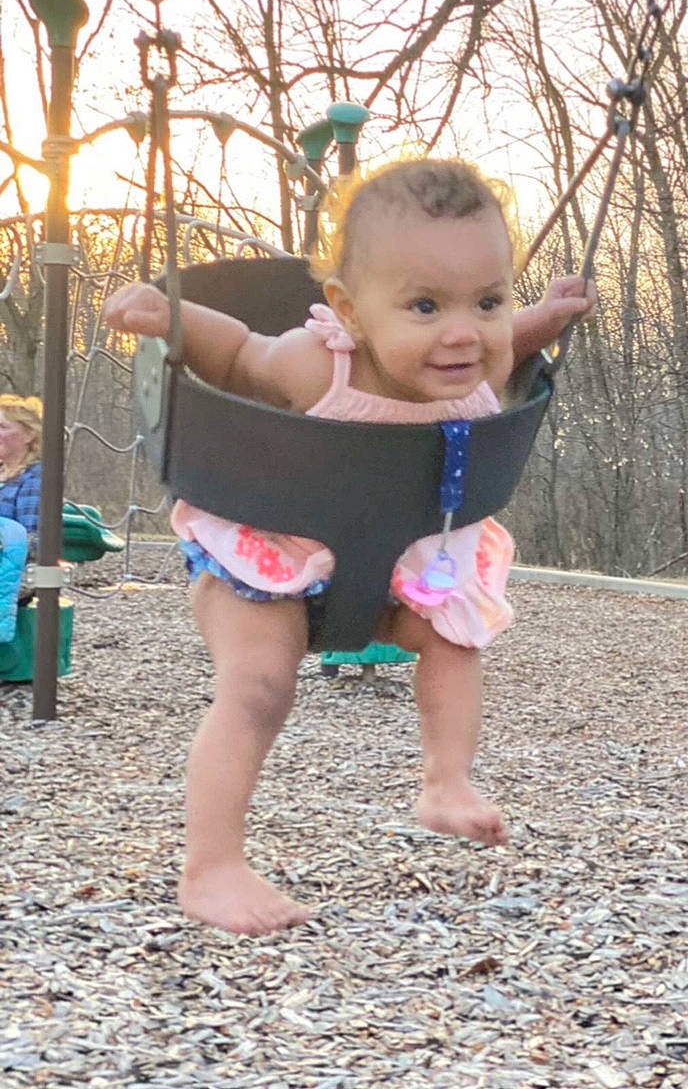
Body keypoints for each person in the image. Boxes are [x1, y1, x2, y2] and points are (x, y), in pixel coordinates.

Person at [105, 157, 595, 936]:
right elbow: (234, 352)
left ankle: (445, 782)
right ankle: (212, 868)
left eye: (488, 301)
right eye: (425, 305)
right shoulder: (316, 364)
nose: (462, 332)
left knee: (454, 637)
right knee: (259, 687)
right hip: (270, 559)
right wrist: (169, 317)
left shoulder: (479, 365)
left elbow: (508, 338)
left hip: (389, 567)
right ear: (350, 312)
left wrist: (546, 318)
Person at [0, 395, 43, 645]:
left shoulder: (33, 479)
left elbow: (32, 543)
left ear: (28, 435)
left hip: (14, 578)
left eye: (2, 427)